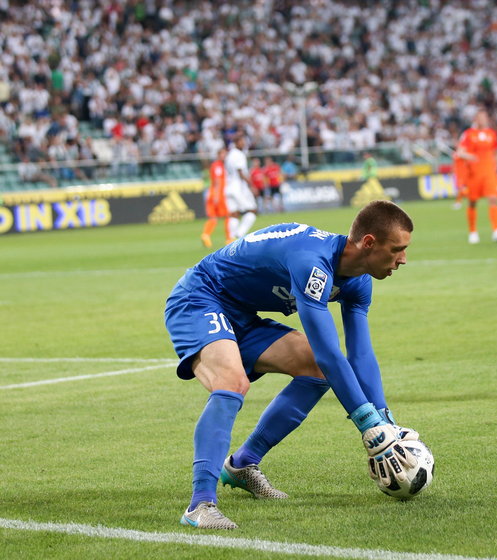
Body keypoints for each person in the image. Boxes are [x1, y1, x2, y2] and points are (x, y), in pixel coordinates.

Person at [164, 200, 419, 529]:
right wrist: (367, 424)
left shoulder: (359, 281)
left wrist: (385, 421)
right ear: (369, 243)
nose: (402, 259)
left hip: (241, 315)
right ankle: (200, 505)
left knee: (314, 368)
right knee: (232, 381)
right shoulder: (312, 262)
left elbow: (360, 355)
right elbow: (329, 351)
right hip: (200, 297)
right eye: (396, 249)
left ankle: (243, 464)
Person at [455, 108, 497, 244]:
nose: (482, 120)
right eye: (480, 117)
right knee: (472, 202)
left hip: (489, 172)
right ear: (476, 119)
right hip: (473, 173)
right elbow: (460, 152)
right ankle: (473, 232)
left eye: (484, 117)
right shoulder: (468, 134)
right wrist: (470, 156)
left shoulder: (491, 134)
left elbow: (496, 153)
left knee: (493, 199)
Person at [224, 133, 259, 240]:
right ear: (237, 142)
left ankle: (230, 238)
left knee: (234, 214)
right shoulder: (239, 154)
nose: (244, 143)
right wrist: (251, 185)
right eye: (242, 141)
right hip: (238, 187)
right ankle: (239, 235)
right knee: (252, 210)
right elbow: (240, 172)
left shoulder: (229, 155)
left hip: (228, 187)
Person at [200, 146, 231, 248]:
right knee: (227, 216)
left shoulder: (217, 165)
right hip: (218, 194)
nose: (225, 156)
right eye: (223, 154)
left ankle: (206, 235)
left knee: (213, 217)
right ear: (218, 155)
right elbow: (217, 181)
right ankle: (228, 238)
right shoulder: (218, 166)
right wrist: (217, 195)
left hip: (213, 193)